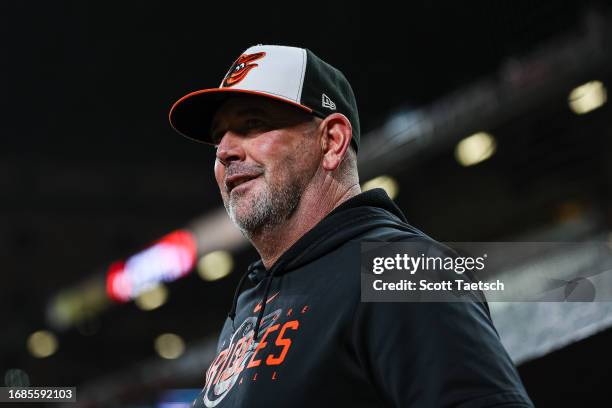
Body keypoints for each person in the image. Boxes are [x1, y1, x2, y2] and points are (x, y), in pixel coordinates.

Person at [169, 45, 534, 408]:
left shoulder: (403, 271)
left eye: (253, 124)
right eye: (219, 137)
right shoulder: (250, 302)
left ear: (332, 141)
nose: (224, 152)